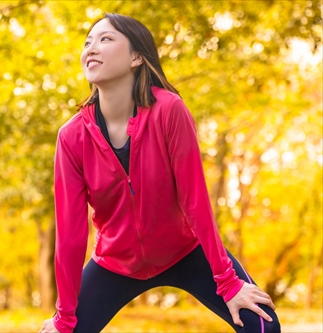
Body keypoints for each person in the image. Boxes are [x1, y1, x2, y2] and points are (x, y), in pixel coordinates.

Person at [40, 13, 281, 333]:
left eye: (105, 39)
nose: (91, 48)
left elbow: (195, 200)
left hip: (187, 251)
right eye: (88, 42)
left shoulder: (168, 110)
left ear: (136, 57)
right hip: (115, 263)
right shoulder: (71, 137)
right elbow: (70, 234)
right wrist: (65, 317)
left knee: (262, 326)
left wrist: (227, 282)